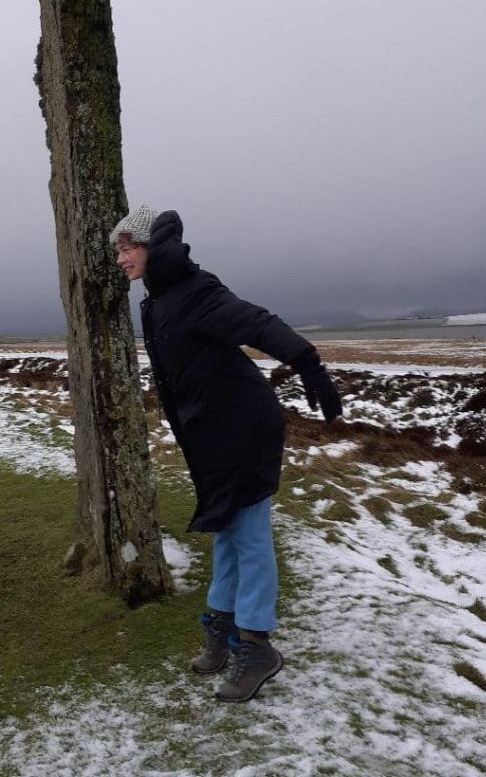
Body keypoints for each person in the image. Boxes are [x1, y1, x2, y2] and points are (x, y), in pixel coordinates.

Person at [111, 204, 343, 703]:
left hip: (244, 429)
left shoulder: (197, 291)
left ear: (154, 246)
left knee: (251, 536)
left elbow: (255, 322)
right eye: (118, 250)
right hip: (213, 434)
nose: (121, 258)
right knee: (227, 532)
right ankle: (221, 629)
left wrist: (308, 363)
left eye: (127, 247)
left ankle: (257, 645)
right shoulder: (160, 299)